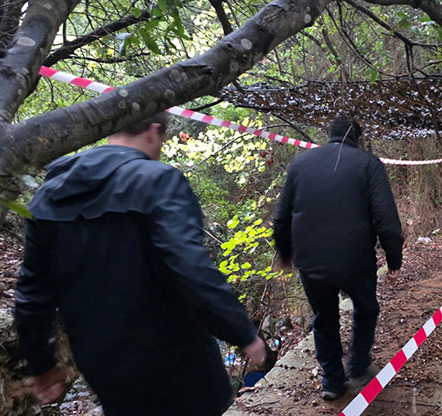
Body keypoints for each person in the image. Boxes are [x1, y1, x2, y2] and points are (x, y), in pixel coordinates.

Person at [14, 112, 266, 415]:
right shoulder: (159, 180)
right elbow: (190, 267)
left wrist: (41, 364)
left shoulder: (49, 195)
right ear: (154, 130)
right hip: (177, 358)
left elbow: (32, 294)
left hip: (101, 362)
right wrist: (241, 332)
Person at [273, 113, 404, 400]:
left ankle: (332, 381)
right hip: (355, 259)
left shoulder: (301, 163)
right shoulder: (368, 164)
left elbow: (281, 216)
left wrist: (285, 253)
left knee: (324, 318)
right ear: (358, 139)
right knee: (366, 308)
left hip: (311, 261)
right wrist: (394, 259)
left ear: (329, 135)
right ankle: (358, 366)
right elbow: (387, 220)